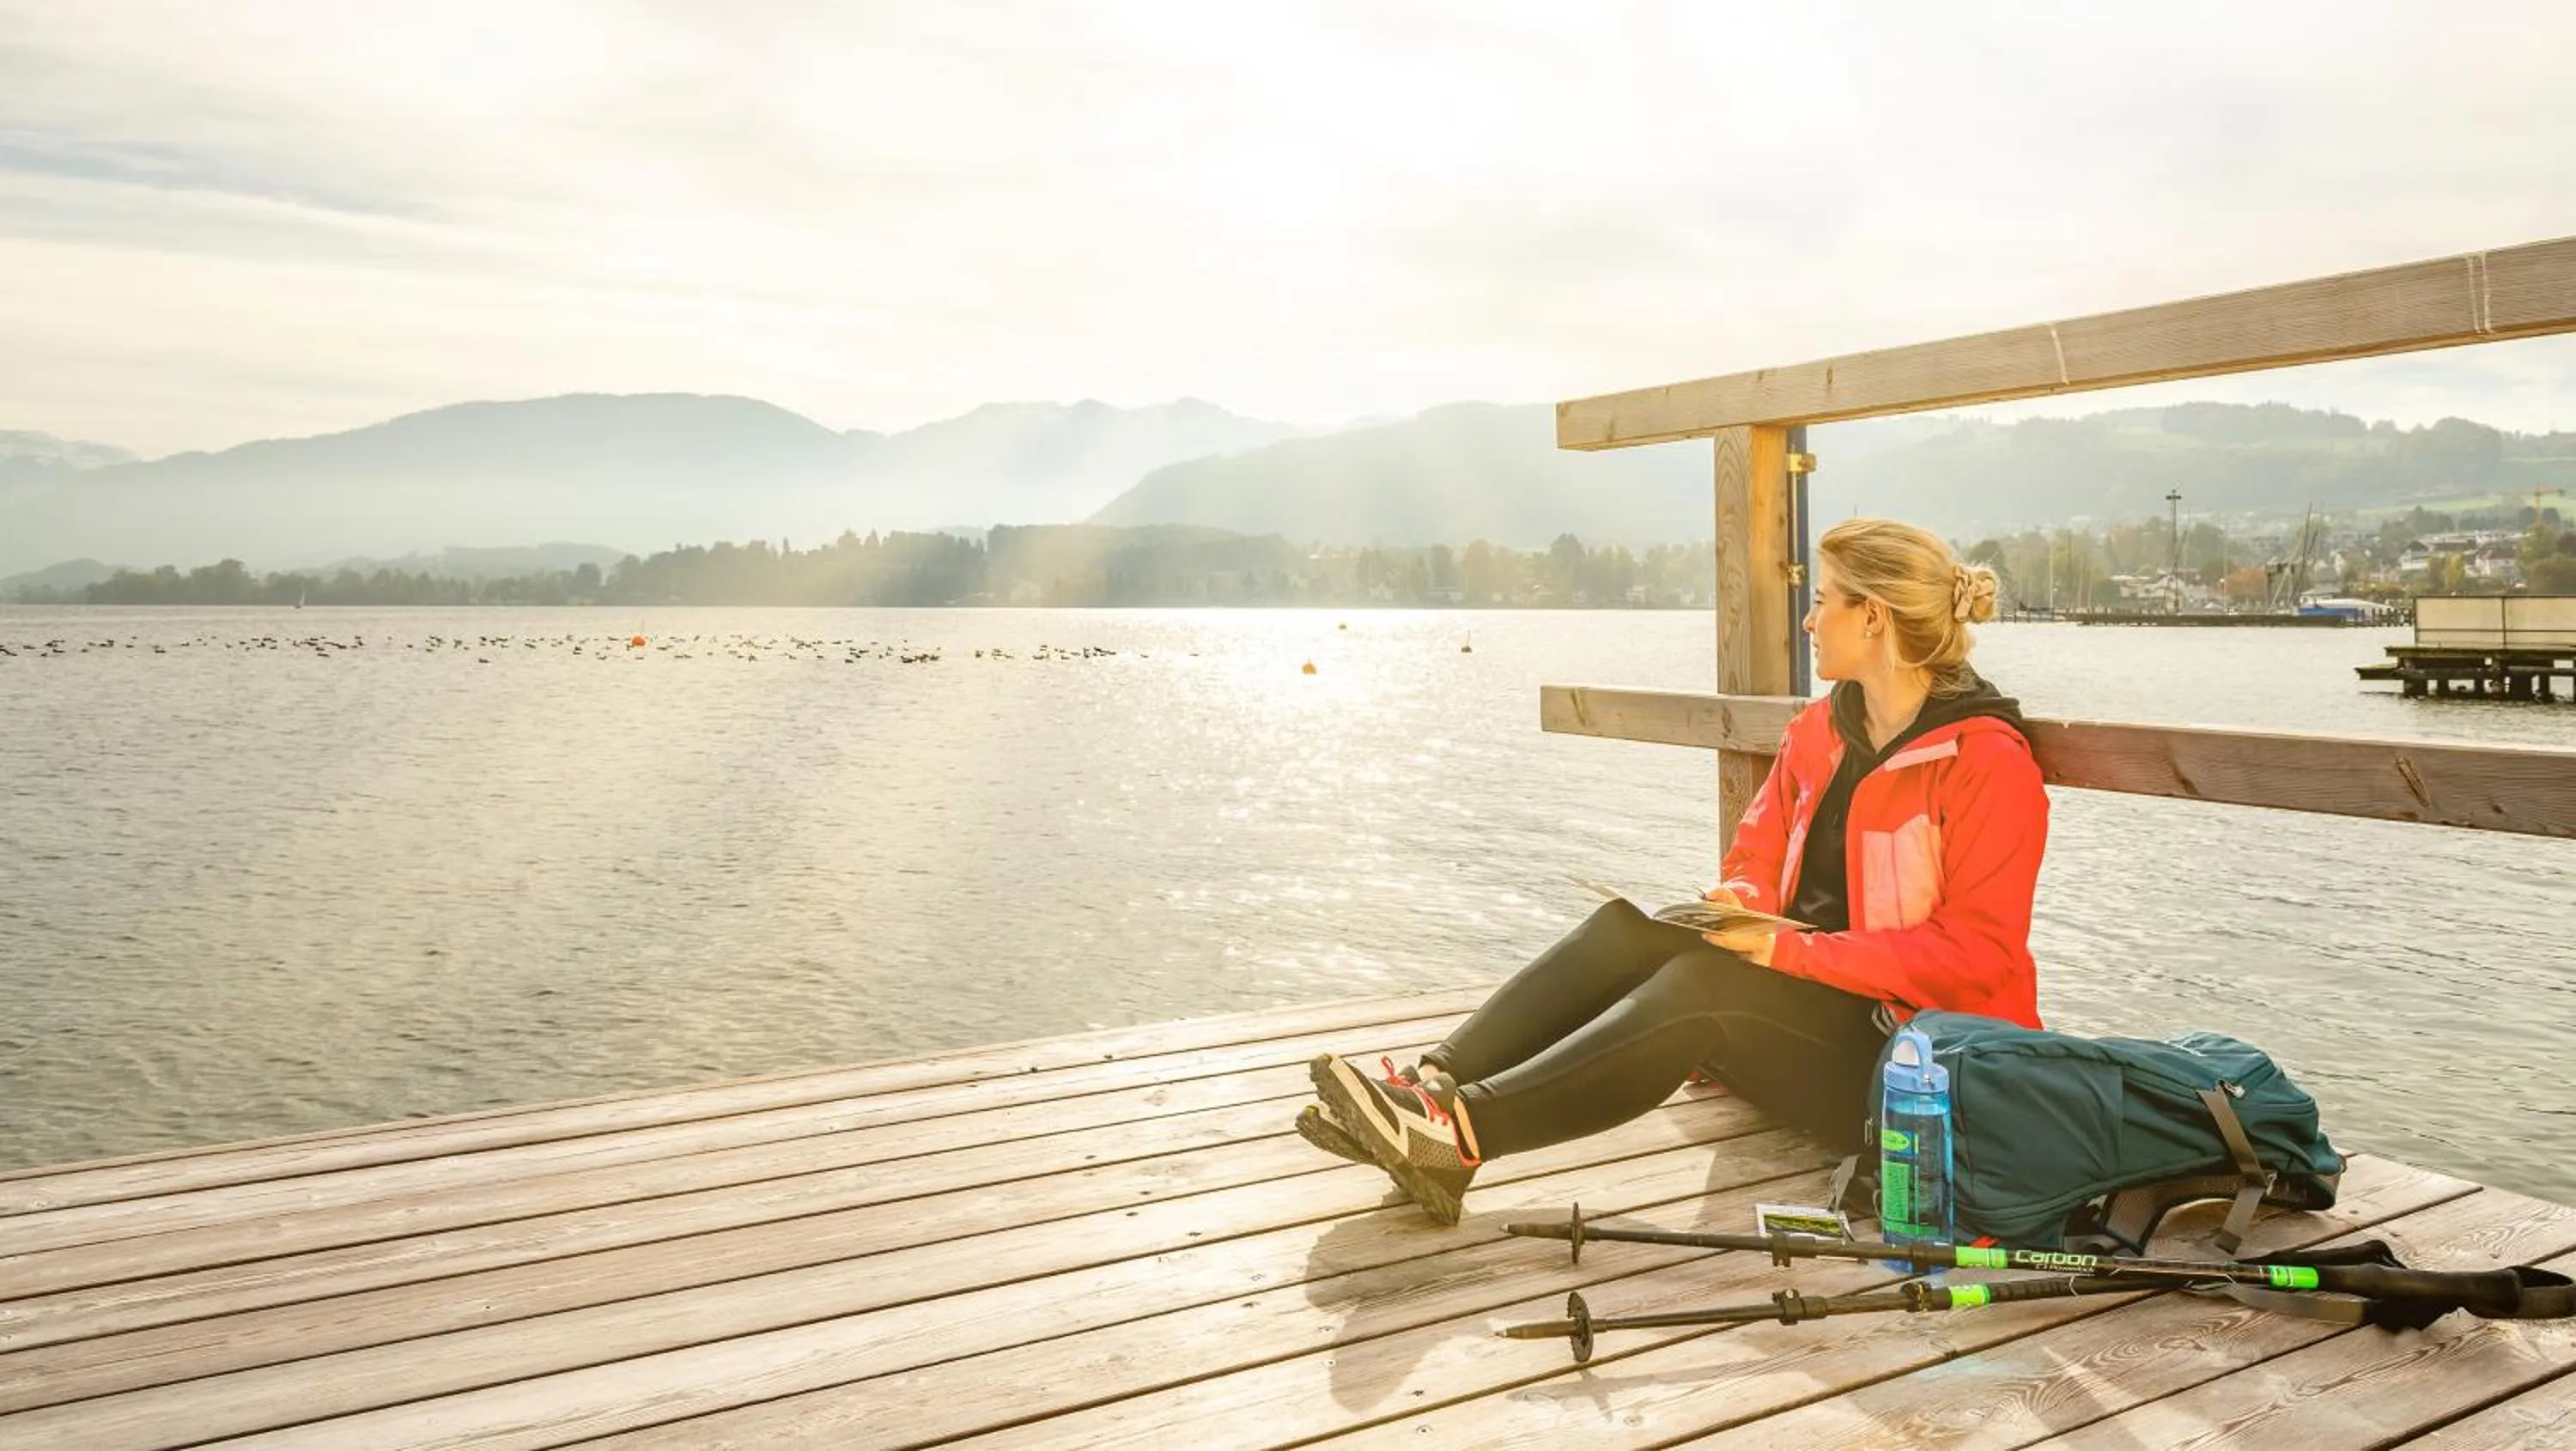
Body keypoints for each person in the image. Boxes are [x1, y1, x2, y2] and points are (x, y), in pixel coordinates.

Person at [1301, 518, 2049, 1224]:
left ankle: (1460, 1139)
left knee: (1703, 985)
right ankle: (1428, 1090)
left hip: (1914, 1072)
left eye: (1822, 602)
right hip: (1805, 1017)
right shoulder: (1821, 731)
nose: (1810, 621)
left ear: (1875, 618)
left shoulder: (1984, 762)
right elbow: (1756, 854)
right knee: (1632, 928)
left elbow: (1977, 959)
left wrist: (1791, 949)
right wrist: (1740, 903)